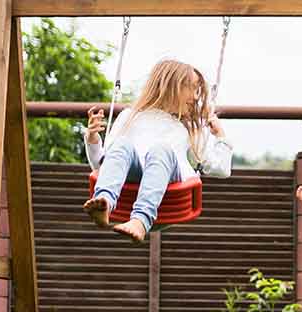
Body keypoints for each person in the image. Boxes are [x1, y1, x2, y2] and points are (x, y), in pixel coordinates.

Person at [83, 59, 233, 242]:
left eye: (198, 91)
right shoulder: (129, 116)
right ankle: (104, 202)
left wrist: (220, 137)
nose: (195, 97)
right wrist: (92, 139)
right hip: (132, 178)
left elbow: (222, 169)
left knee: (161, 150)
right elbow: (103, 164)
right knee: (122, 144)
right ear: (170, 86)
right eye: (191, 88)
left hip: (170, 187)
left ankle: (140, 221)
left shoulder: (189, 128)